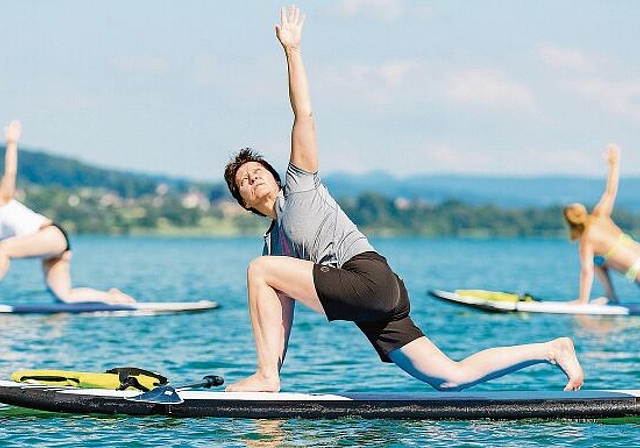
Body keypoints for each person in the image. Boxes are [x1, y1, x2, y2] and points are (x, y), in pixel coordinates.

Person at [223, 6, 584, 393]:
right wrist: (274, 372)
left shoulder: (301, 186)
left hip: (367, 277)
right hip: (376, 296)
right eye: (243, 180)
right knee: (450, 377)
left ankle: (265, 376)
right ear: (243, 202)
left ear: (277, 177)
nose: (253, 176)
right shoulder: (272, 246)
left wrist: (292, 51)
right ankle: (552, 349)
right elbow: (280, 316)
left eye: (258, 170)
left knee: (258, 269)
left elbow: (304, 114)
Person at [0, 120, 136, 304]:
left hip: (49, 235)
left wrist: (12, 143)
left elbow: (9, 172)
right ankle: (111, 297)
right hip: (53, 249)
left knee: (3, 249)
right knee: (66, 297)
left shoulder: (2, 200)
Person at [563, 144, 638, 305]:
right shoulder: (600, 216)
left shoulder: (586, 242)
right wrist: (614, 163)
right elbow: (610, 191)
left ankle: (610, 295)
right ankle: (610, 295)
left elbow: (586, 272)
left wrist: (582, 301)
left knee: (595, 261)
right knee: (598, 261)